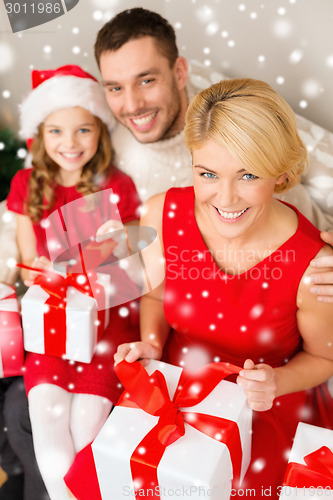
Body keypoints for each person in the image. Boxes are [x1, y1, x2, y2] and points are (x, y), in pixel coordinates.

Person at [109, 78, 333, 499]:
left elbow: (324, 357)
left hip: (266, 408)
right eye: (208, 173)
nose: (225, 199)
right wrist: (153, 346)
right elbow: (156, 295)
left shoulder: (314, 264)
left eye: (248, 174)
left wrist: (275, 382)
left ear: (281, 174)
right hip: (177, 390)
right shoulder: (162, 213)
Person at [95, 7, 333, 303]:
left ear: (180, 72)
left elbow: (320, 161)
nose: (132, 105)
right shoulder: (107, 149)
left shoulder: (233, 116)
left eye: (146, 81)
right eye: (115, 88)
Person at [6, 64, 141, 500]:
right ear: (40, 136)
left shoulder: (116, 185)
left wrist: (117, 243)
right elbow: (29, 259)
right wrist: (48, 267)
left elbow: (132, 254)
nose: (70, 144)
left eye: (83, 130)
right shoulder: (27, 184)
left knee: (87, 422)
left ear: (100, 132)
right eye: (56, 132)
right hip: (53, 318)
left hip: (108, 316)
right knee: (46, 413)